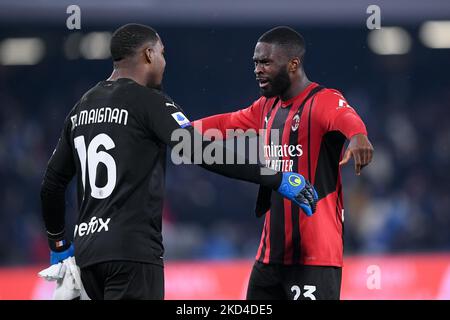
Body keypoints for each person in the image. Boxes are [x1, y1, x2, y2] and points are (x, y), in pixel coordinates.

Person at [40, 24, 318, 300]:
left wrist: (59, 242)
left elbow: (52, 184)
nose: (164, 61)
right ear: (148, 55)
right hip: (132, 255)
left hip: (87, 259)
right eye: (162, 53)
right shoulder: (149, 101)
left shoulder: (82, 107)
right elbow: (203, 151)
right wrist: (275, 178)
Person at [193, 26, 374, 300]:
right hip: (269, 257)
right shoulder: (267, 107)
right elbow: (226, 123)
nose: (257, 69)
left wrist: (359, 137)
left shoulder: (323, 100)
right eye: (255, 63)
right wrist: (178, 131)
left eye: (265, 62)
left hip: (314, 257)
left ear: (293, 64)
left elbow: (347, 119)